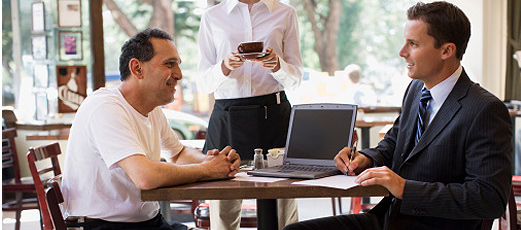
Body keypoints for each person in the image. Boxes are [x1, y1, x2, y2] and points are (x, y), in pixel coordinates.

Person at [284, 2, 513, 230]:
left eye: (413, 44)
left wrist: (405, 188)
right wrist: (366, 158)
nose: (402, 52)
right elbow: (393, 144)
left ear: (447, 50)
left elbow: (489, 198)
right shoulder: (416, 90)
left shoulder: (485, 110)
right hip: (388, 218)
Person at [61, 28, 241, 230]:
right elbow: (145, 177)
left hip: (146, 223)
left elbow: (178, 153)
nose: (179, 75)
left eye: (178, 65)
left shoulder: (151, 108)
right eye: (169, 64)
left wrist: (216, 162)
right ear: (137, 69)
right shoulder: (105, 107)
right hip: (102, 226)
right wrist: (207, 169)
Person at [196, 0, 303, 229]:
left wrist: (277, 65)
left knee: (283, 213)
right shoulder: (212, 16)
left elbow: (295, 79)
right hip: (227, 118)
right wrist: (224, 66)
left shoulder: (286, 13)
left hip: (274, 116)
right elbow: (203, 83)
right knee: (223, 214)